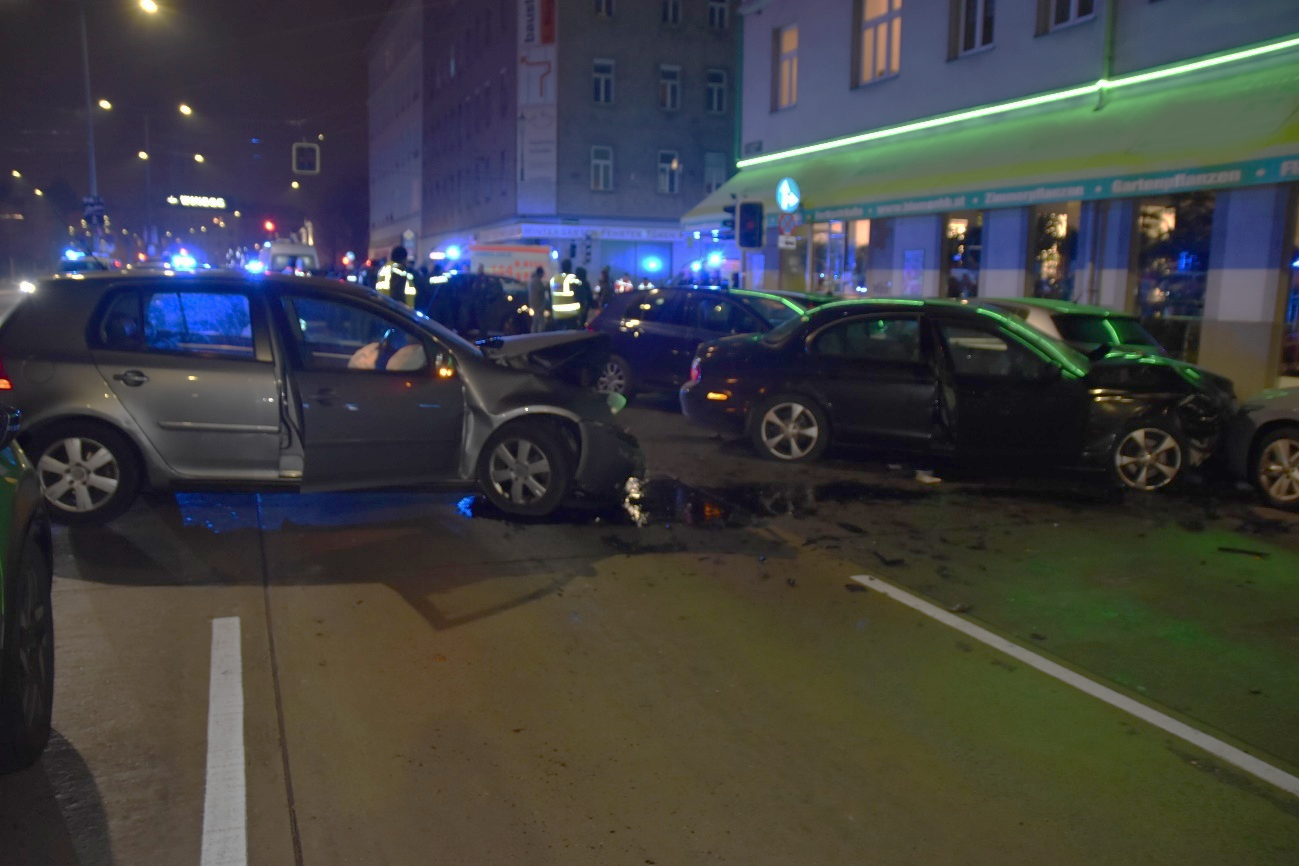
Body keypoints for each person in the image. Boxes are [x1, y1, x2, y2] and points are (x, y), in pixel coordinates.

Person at [550, 258, 582, 330]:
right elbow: (579, 291)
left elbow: (550, 295)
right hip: (571, 314)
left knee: (560, 337)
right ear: (570, 267)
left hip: (557, 314)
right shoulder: (572, 278)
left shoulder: (554, 279)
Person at [528, 266, 550, 333]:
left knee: (535, 321)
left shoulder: (532, 280)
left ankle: (534, 335)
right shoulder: (536, 281)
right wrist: (546, 286)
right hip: (538, 304)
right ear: (540, 273)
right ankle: (539, 335)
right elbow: (540, 290)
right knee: (540, 321)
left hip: (534, 303)